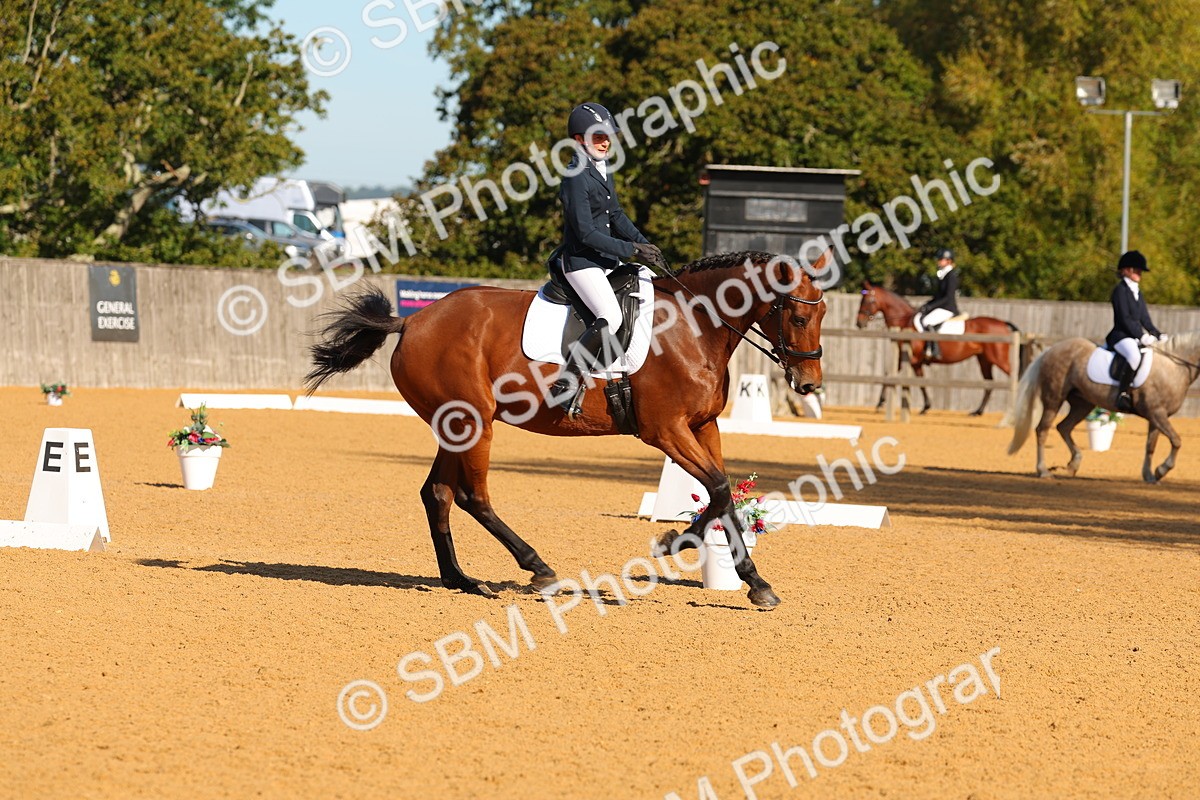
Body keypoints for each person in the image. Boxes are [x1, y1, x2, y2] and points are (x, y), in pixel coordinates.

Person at [548, 102, 666, 419]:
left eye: (608, 135)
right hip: (582, 262)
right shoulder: (575, 176)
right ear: (578, 139)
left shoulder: (602, 169)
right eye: (598, 136)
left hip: (605, 260)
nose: (606, 141)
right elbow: (585, 232)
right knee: (610, 316)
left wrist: (644, 244)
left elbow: (616, 215)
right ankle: (566, 384)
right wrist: (629, 250)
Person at [1105, 250, 1166, 412]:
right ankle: (1122, 394)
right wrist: (1142, 336)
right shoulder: (1120, 291)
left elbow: (1145, 319)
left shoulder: (1138, 292)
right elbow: (1124, 319)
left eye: (1140, 271)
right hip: (1121, 336)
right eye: (1136, 270)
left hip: (1134, 337)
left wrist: (1158, 334)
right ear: (1126, 270)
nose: (1140, 273)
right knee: (1134, 355)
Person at [914, 247, 960, 361]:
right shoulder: (943, 274)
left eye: (941, 259)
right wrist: (926, 305)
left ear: (948, 261)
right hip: (942, 307)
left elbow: (947, 297)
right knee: (922, 317)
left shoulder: (951, 276)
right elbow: (938, 296)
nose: (938, 261)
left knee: (927, 321)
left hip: (948, 308)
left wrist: (931, 307)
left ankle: (934, 349)